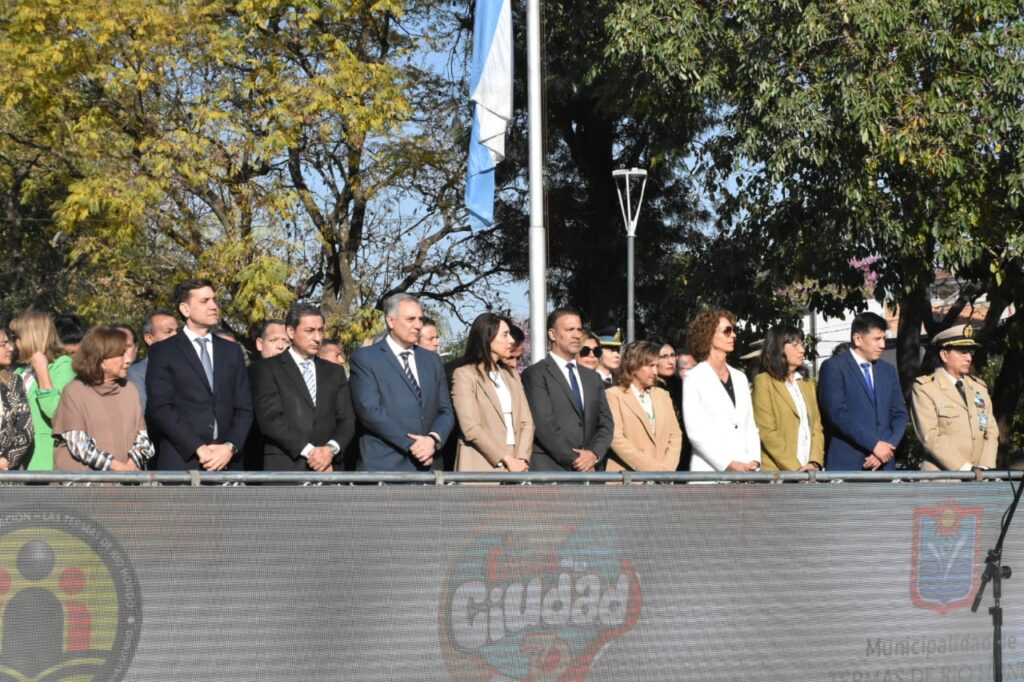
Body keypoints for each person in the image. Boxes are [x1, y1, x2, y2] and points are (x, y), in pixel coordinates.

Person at [146, 279, 253, 471]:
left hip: (228, 462)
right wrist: (198, 447)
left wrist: (229, 447)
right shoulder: (164, 351)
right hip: (183, 461)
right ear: (185, 309)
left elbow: (244, 407)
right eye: (204, 301)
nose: (213, 306)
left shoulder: (232, 351)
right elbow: (161, 408)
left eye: (214, 300)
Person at [349, 294, 454, 472]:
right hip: (386, 466)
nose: (418, 325)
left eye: (420, 319)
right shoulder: (366, 358)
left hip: (429, 466)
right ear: (390, 321)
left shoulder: (432, 360)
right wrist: (414, 445)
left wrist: (432, 440)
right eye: (410, 319)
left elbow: (446, 410)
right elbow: (370, 411)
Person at [253, 304, 355, 473]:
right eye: (309, 330)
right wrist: (310, 452)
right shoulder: (267, 369)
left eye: (320, 331)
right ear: (291, 332)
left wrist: (330, 450)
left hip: (330, 468)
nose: (317, 337)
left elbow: (346, 419)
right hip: (286, 467)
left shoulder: (334, 371)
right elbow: (270, 418)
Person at [522, 308, 613, 472]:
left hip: (591, 473)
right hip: (553, 471)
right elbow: (544, 425)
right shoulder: (536, 374)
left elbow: (606, 423)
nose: (577, 335)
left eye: (579, 329)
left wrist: (594, 454)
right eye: (570, 329)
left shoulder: (593, 378)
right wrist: (577, 460)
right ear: (552, 334)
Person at [52, 327, 153, 471]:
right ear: (100, 359)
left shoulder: (130, 390)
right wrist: (117, 468)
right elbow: (79, 445)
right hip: (86, 487)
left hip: (125, 486)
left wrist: (130, 466)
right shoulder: (74, 391)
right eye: (121, 354)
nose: (128, 360)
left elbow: (143, 439)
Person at [818, 312, 908, 471]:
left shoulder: (887, 371)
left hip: (885, 464)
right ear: (858, 338)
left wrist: (886, 448)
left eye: (884, 339)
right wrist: (874, 445)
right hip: (848, 463)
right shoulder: (834, 367)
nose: (882, 345)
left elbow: (900, 414)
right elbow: (837, 414)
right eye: (877, 339)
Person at [451, 313, 533, 474]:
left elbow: (526, 422)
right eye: (505, 334)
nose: (511, 340)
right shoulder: (464, 375)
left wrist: (522, 459)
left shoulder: (512, 375)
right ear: (487, 338)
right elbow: (471, 428)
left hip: (517, 464)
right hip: (481, 464)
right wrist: (506, 459)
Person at [911, 324, 998, 472]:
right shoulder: (925, 388)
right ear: (944, 355)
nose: (969, 358)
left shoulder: (979, 387)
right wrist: (965, 468)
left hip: (979, 477)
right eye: (962, 352)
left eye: (970, 352)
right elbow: (930, 436)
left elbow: (991, 430)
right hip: (943, 478)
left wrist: (985, 467)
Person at [682, 309, 760, 472]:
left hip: (745, 473)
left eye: (733, 330)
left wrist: (754, 461)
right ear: (709, 335)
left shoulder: (740, 378)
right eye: (727, 331)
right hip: (710, 473)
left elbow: (750, 425)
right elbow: (696, 432)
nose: (733, 336)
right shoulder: (694, 378)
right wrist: (728, 464)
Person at [751, 325, 825, 472]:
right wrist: (796, 469)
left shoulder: (806, 383)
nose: (802, 350)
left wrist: (814, 462)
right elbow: (767, 432)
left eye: (802, 344)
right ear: (778, 347)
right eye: (795, 344)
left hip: (810, 472)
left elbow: (816, 426)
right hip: (779, 473)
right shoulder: (764, 381)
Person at [10, 310, 77, 471]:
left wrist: (42, 372)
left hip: (45, 462)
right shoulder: (20, 371)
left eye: (16, 337)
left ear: (31, 337)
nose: (13, 344)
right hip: (18, 464)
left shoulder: (63, 366)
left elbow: (56, 412)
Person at [605, 341, 682, 473]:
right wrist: (652, 468)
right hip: (627, 480)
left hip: (662, 481)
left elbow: (675, 435)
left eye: (657, 366)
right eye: (650, 366)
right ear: (634, 366)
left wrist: (666, 470)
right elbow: (616, 438)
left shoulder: (663, 395)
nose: (655, 371)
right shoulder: (613, 395)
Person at [126, 309, 179, 411]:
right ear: (149, 339)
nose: (175, 336)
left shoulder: (189, 367)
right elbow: (143, 413)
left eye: (177, 331)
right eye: (168, 331)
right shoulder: (137, 374)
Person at [0, 329, 33, 470]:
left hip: (7, 477)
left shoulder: (14, 383)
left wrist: (6, 461)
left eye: (10, 343)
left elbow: (26, 429)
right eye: (4, 344)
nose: (11, 348)